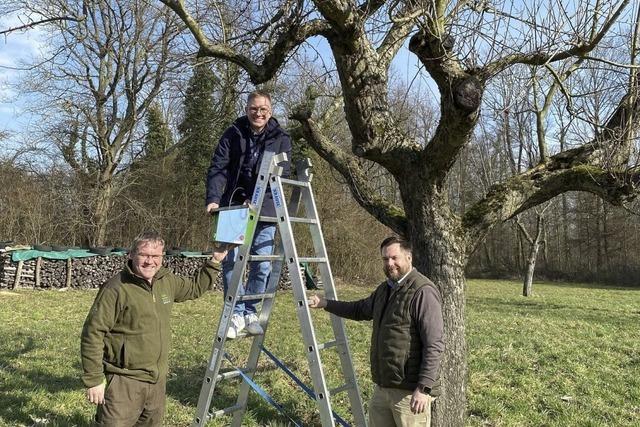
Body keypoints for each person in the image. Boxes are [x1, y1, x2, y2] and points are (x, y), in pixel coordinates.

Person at [80, 231, 227, 426]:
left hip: (157, 382)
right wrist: (94, 379)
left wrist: (215, 260)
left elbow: (194, 288)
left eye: (155, 256)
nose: (150, 261)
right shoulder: (116, 288)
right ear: (132, 255)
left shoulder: (166, 281)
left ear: (162, 257)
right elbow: (93, 333)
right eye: (144, 255)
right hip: (124, 382)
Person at [308, 236, 445, 427]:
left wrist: (423, 388)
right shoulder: (384, 290)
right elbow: (359, 309)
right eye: (385, 259)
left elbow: (434, 344)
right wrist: (325, 303)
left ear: (409, 257)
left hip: (410, 393)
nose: (390, 264)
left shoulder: (423, 291)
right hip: (383, 387)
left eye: (394, 258)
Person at [205, 89, 291, 339]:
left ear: (270, 112)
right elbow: (218, 166)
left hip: (264, 208)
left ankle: (251, 311)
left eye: (263, 109)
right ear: (246, 109)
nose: (258, 113)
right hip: (232, 204)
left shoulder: (281, 138)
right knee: (230, 261)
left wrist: (255, 201)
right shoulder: (233, 133)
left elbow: (280, 176)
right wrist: (213, 198)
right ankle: (235, 312)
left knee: (262, 263)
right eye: (254, 108)